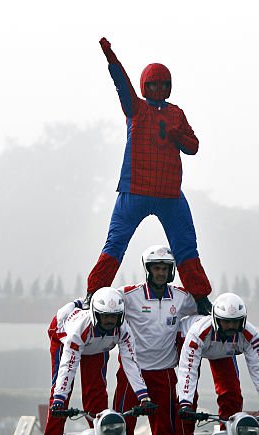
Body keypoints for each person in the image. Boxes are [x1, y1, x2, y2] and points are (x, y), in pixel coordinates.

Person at [84, 36, 213, 315]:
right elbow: (122, 85)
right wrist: (111, 58)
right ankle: (93, 293)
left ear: (169, 86)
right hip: (136, 190)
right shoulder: (136, 109)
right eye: (152, 84)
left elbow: (193, 147)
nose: (158, 88)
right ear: (144, 86)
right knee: (115, 243)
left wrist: (178, 134)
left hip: (168, 194)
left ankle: (200, 297)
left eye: (163, 84)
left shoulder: (177, 114)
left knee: (186, 247)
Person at [114, 245, 198, 435]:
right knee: (120, 429)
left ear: (171, 270)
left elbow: (205, 309)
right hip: (132, 374)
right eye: (156, 268)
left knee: (165, 434)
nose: (161, 273)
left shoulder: (182, 298)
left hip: (164, 374)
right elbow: (101, 301)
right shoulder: (129, 295)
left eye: (165, 268)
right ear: (148, 270)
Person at [44, 287, 153, 435]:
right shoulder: (79, 330)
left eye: (114, 316)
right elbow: (67, 368)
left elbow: (131, 363)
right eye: (105, 316)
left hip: (97, 346)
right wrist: (59, 398)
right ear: (95, 314)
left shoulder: (124, 329)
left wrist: (144, 396)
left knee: (97, 394)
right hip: (65, 339)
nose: (110, 321)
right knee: (60, 392)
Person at [175, 293, 259, 433]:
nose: (232, 326)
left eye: (236, 322)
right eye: (226, 322)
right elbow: (188, 370)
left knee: (232, 395)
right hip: (186, 339)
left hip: (222, 350)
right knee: (187, 401)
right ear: (216, 320)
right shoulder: (198, 332)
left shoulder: (250, 335)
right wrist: (185, 403)